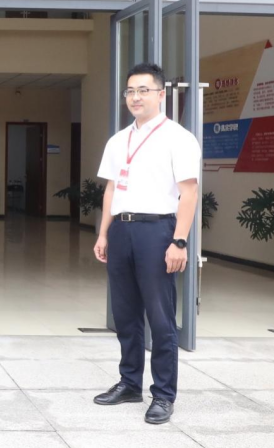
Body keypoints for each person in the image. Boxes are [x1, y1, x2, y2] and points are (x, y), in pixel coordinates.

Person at [93, 62, 200, 425]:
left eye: (143, 90)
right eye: (130, 91)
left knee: (160, 316)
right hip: (121, 230)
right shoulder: (118, 140)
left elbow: (189, 193)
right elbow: (111, 189)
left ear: (160, 94)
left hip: (158, 231)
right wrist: (104, 233)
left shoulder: (178, 138)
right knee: (125, 314)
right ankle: (129, 383)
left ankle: (164, 394)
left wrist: (179, 241)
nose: (135, 97)